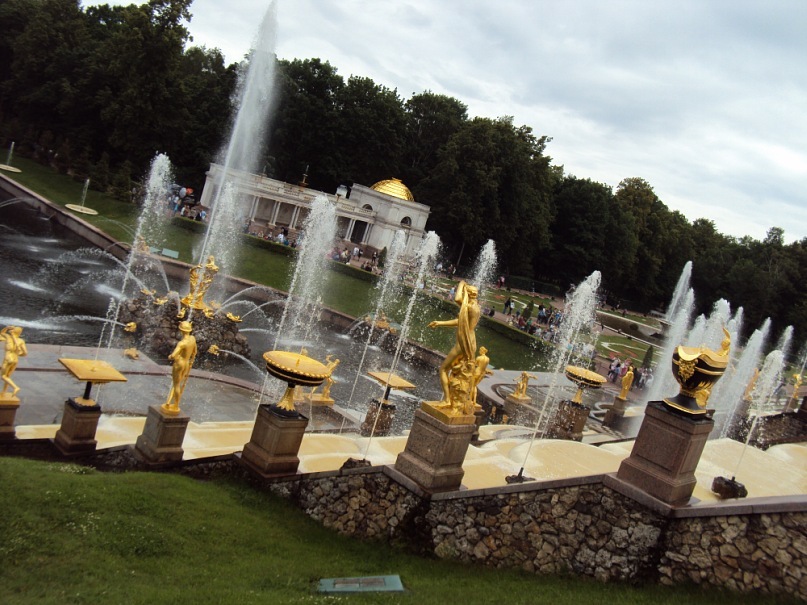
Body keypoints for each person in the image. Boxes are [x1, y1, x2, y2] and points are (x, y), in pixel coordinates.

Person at [429, 281, 481, 411]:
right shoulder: (475, 307)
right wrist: (439, 323)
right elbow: (460, 321)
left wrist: (461, 284)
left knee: (443, 369)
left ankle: (447, 400)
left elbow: (457, 298)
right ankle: (457, 400)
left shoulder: (469, 306)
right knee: (459, 371)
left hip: (463, 343)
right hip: (471, 341)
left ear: (468, 294)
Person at [162, 321, 197, 415]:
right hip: (186, 363)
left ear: (181, 331)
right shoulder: (193, 339)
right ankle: (171, 402)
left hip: (179, 364)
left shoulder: (182, 343)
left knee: (176, 384)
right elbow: (194, 352)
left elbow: (173, 355)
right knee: (178, 384)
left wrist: (170, 356)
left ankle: (176, 405)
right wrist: (191, 361)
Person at [1, 326, 27, 397]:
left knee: (3, 376)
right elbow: (25, 353)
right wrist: (18, 353)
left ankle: (15, 387)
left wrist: (6, 328)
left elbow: (1, 333)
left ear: (12, 331)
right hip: (15, 360)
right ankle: (3, 392)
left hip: (8, 359)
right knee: (8, 377)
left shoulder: (8, 337)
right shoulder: (21, 341)